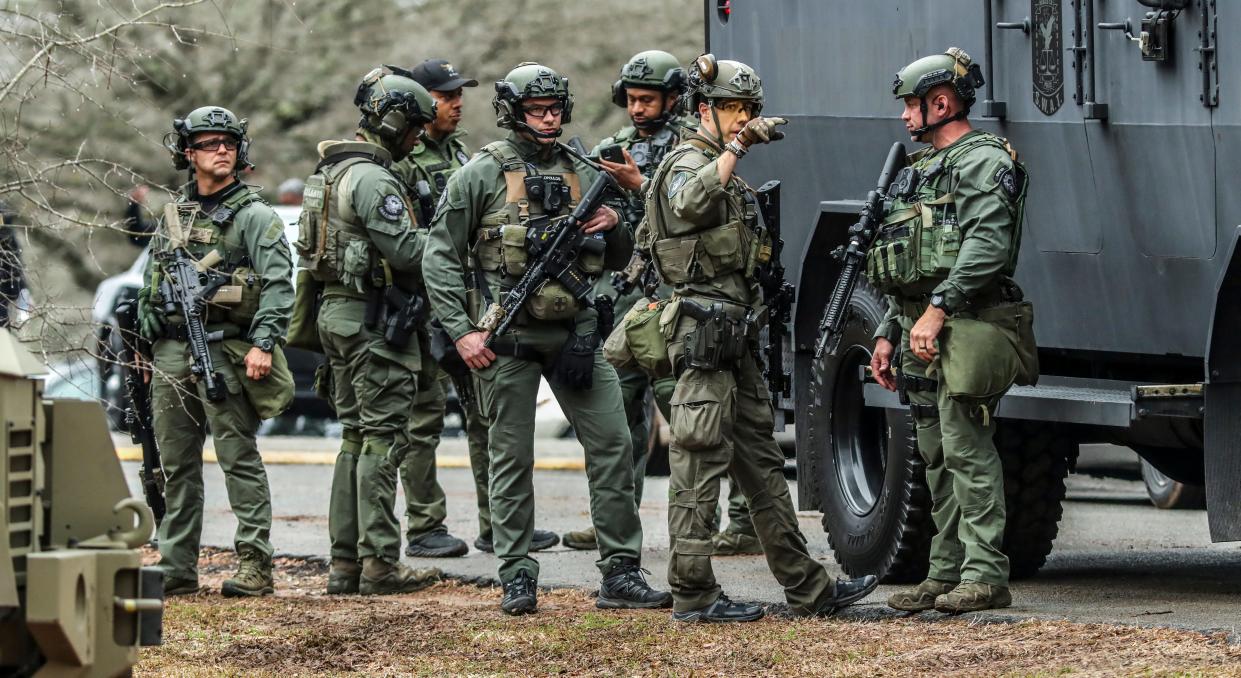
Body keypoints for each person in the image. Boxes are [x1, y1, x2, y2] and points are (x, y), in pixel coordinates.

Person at [423, 62, 671, 615]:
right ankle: (516, 574)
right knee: (511, 459)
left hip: (576, 336)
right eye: (537, 110)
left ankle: (621, 572)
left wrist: (614, 224)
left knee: (615, 445)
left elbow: (627, 255)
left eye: (556, 108)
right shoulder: (480, 174)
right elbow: (439, 255)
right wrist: (461, 332)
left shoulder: (586, 168)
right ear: (513, 113)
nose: (549, 118)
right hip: (505, 339)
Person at [642, 54, 878, 622]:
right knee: (698, 461)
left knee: (764, 466)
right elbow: (687, 204)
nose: (742, 118)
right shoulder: (686, 162)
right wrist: (737, 146)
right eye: (731, 108)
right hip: (704, 340)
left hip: (737, 339)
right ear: (705, 111)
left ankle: (808, 589)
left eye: (748, 110)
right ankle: (694, 595)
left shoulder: (726, 168)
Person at [564, 49, 760, 557]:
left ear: (675, 99)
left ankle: (733, 519)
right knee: (619, 415)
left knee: (703, 417)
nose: (637, 109)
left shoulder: (694, 149)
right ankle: (614, 518)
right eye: (630, 100)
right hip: (634, 300)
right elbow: (601, 231)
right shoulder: (609, 151)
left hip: (686, 299)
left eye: (647, 99)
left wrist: (638, 187)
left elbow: (689, 210)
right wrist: (607, 224)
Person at [872, 48, 1033, 614]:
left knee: (967, 449)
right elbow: (910, 262)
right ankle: (944, 573)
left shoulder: (984, 162)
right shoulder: (919, 173)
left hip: (971, 325)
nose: (904, 117)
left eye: (911, 105)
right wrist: (890, 330)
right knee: (935, 454)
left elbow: (986, 246)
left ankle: (986, 574)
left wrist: (938, 310)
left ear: (941, 103)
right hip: (924, 329)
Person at [391, 58, 557, 557]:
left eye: (458, 94)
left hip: (472, 306)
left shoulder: (465, 154)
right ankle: (424, 527)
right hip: (419, 307)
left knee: (485, 416)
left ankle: (497, 524)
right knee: (422, 420)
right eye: (444, 96)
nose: (456, 103)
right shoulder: (402, 160)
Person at [297, 67, 444, 595]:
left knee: (354, 438)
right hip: (371, 320)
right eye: (415, 127)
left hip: (336, 316)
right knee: (384, 440)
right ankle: (380, 562)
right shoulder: (374, 179)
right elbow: (406, 252)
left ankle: (345, 563)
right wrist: (448, 240)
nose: (418, 138)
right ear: (395, 122)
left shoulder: (328, 174)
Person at [136, 106, 295, 597]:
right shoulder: (174, 217)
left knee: (237, 457)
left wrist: (264, 343)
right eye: (208, 144)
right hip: (170, 354)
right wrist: (144, 347)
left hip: (227, 350)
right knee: (175, 463)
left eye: (227, 142)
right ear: (190, 154)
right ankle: (177, 565)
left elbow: (277, 287)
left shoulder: (255, 217)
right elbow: (151, 285)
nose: (221, 150)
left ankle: (254, 563)